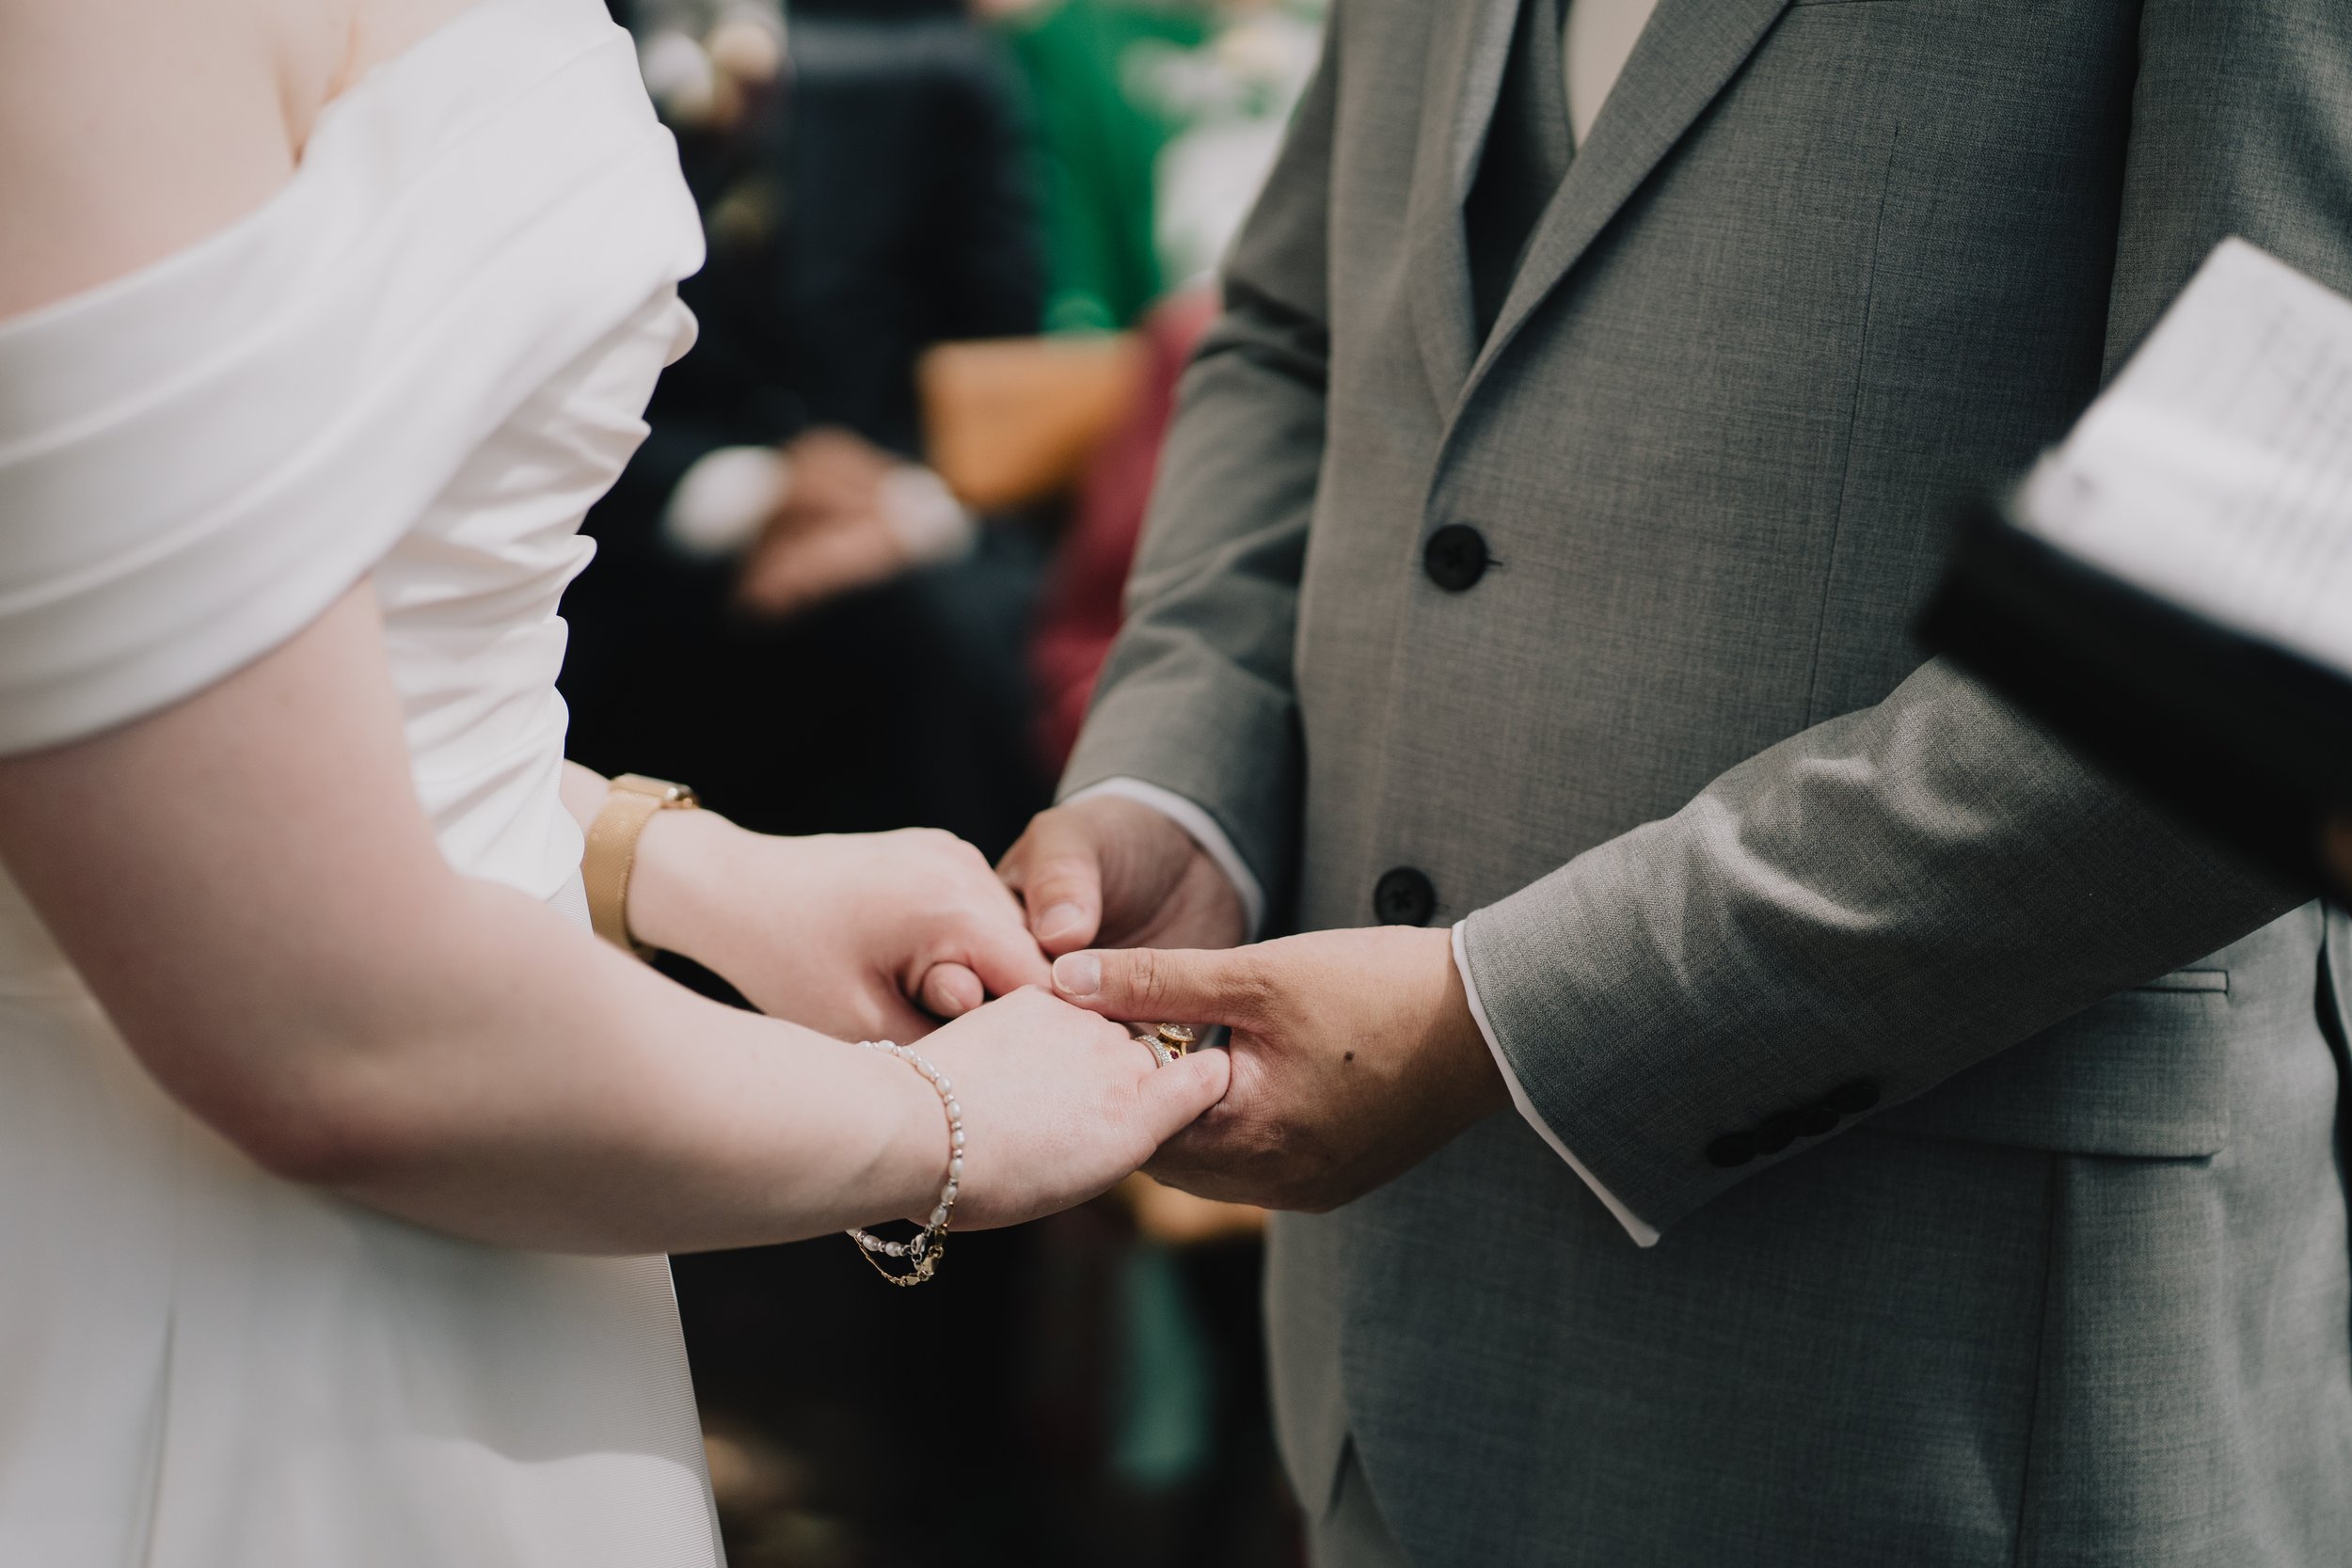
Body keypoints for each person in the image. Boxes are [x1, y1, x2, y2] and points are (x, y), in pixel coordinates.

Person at [999, 0, 2352, 1563]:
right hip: (1390, 1353)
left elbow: (2265, 602)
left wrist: (1508, 1017)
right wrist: (1185, 787)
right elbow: (1298, 335)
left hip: (1939, 1365)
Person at [0, 1, 1228, 1561]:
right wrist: (935, 1122)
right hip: (200, 1236)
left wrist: (684, 866)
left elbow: (242, 714)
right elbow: (321, 1024)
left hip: (492, 1214)